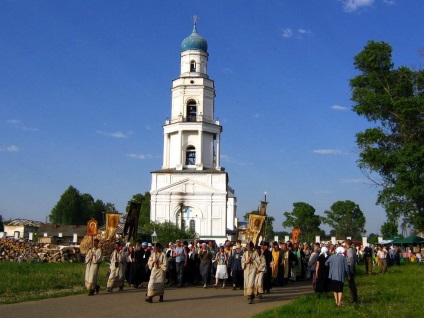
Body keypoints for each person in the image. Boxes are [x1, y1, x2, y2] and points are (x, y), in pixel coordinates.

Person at [345, 239, 359, 303]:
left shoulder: (349, 250)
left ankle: (354, 298)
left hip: (350, 268)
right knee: (351, 283)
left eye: (345, 243)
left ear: (347, 244)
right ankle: (354, 297)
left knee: (351, 284)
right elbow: (355, 258)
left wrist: (350, 269)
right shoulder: (352, 250)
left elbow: (351, 259)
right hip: (352, 267)